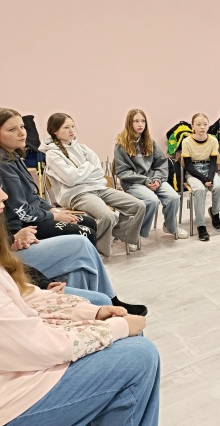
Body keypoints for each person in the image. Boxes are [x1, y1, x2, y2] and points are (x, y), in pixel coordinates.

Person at [0, 185, 160, 426]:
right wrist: (114, 328)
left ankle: (110, 299)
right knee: (139, 354)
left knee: (111, 314)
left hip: (90, 190)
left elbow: (22, 295)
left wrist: (91, 313)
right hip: (11, 397)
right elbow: (38, 346)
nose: (4, 194)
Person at [40, 113, 146, 256]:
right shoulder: (52, 154)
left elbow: (99, 172)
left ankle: (117, 233)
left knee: (139, 206)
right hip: (77, 194)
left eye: (73, 126)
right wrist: (88, 166)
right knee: (108, 216)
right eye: (66, 127)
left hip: (99, 188)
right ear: (55, 131)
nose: (72, 130)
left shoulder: (83, 148)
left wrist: (81, 172)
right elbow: (71, 179)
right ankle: (97, 248)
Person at [0, 108, 98, 245]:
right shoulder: (3, 165)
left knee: (89, 222)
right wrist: (53, 216)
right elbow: (21, 211)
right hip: (22, 226)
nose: (22, 133)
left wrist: (52, 209)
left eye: (22, 126)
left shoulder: (14, 156)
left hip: (35, 216)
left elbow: (33, 197)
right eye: (12, 129)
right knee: (86, 232)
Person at [115, 109, 188, 240]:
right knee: (151, 200)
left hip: (153, 179)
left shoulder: (149, 141)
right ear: (129, 123)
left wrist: (157, 179)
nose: (140, 124)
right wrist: (145, 180)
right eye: (136, 121)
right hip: (133, 182)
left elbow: (161, 163)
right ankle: (136, 234)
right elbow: (122, 171)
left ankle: (170, 226)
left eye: (143, 121)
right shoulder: (121, 145)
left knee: (173, 197)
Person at [181, 112, 220, 241]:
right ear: (192, 126)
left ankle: (214, 212)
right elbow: (188, 166)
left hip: (209, 169)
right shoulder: (186, 141)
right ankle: (201, 226)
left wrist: (210, 178)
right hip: (193, 171)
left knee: (219, 187)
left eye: (205, 124)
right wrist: (203, 179)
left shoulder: (213, 140)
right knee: (200, 190)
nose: (202, 127)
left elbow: (213, 163)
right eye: (199, 124)